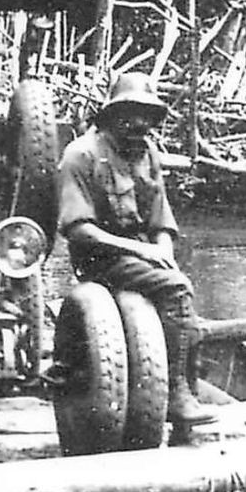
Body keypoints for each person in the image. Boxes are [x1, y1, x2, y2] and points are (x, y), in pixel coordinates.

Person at [56, 72, 210, 426]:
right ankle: (177, 394)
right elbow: (78, 230)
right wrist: (141, 252)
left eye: (146, 116)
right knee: (177, 290)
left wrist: (164, 252)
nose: (139, 124)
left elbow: (161, 220)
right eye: (130, 114)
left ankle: (189, 385)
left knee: (180, 285)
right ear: (111, 116)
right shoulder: (81, 155)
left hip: (139, 256)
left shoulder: (147, 153)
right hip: (101, 260)